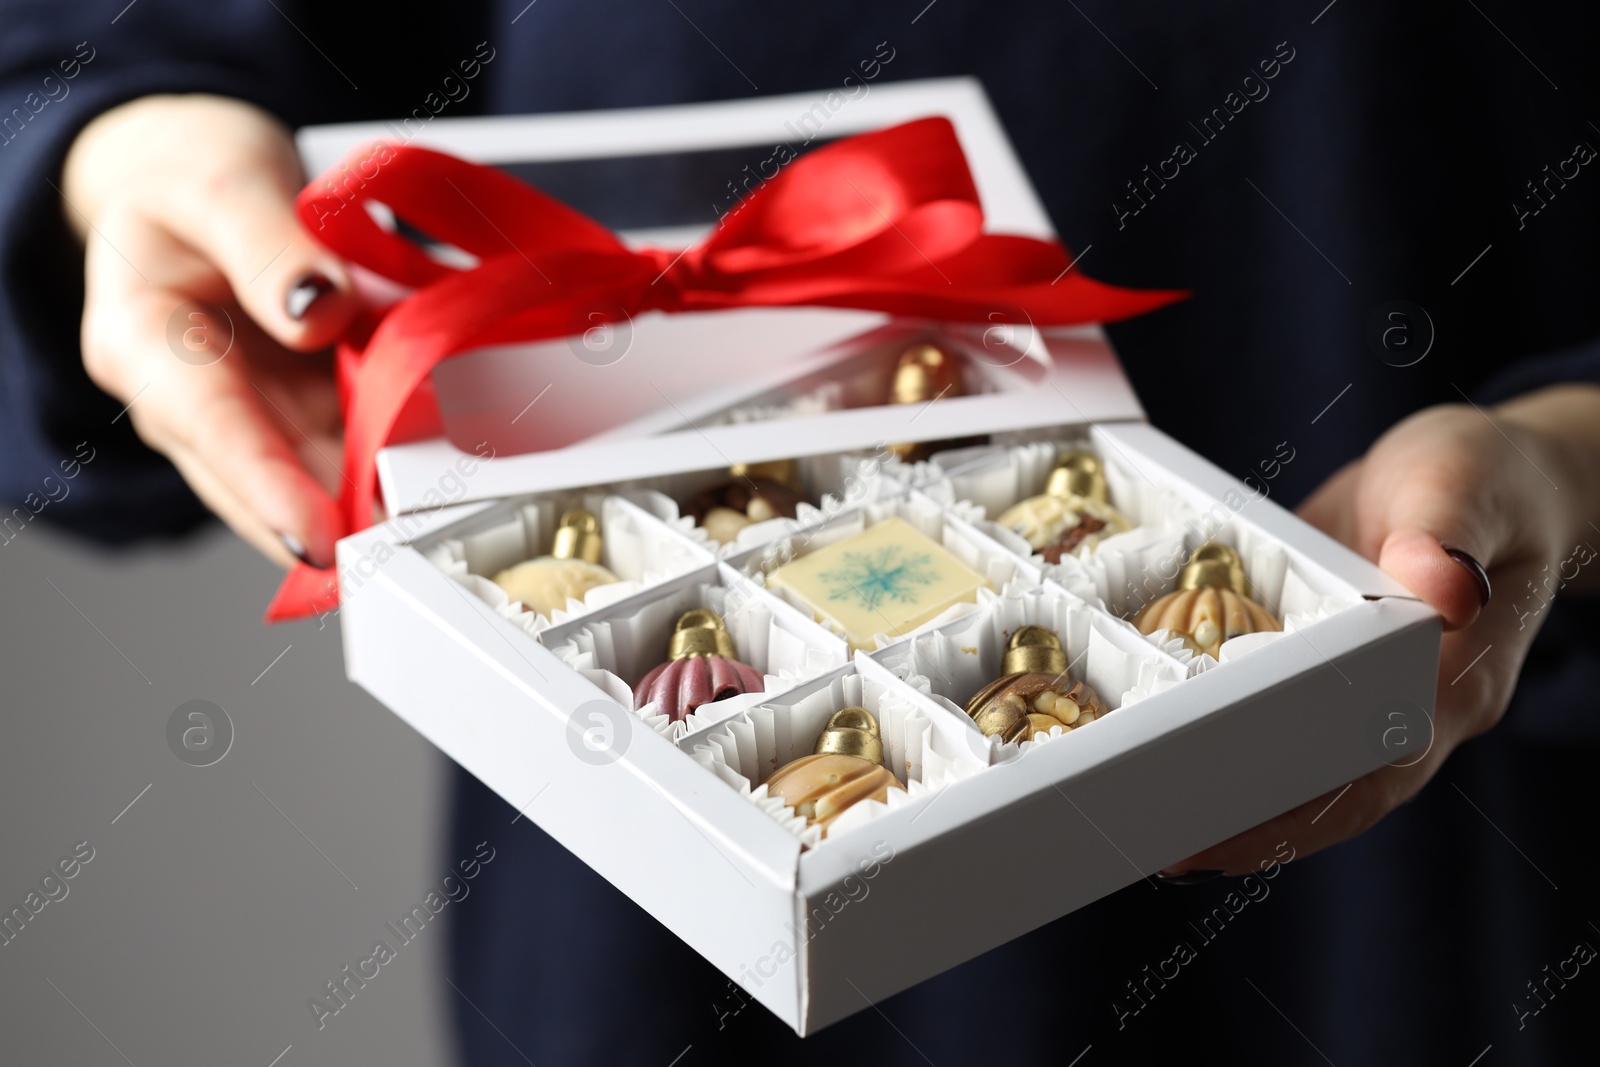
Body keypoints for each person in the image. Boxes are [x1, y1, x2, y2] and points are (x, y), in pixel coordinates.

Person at [4, 2, 1598, 1062]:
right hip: (643, 956)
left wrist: (1567, 469)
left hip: (1422, 922)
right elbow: (117, 44)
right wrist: (116, 148)